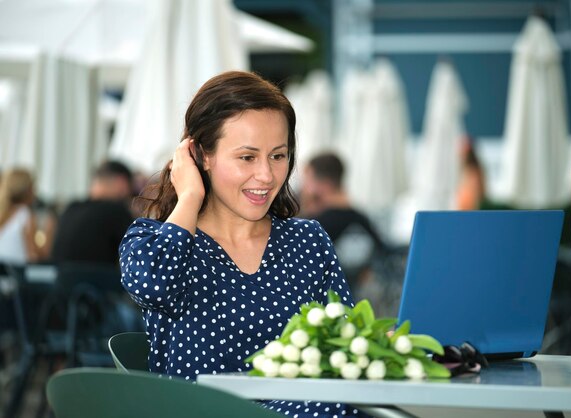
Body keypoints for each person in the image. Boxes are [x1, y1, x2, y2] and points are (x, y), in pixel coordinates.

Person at [119, 71, 365, 418]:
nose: (266, 175)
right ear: (201, 156)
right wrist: (189, 196)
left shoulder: (308, 241)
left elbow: (348, 344)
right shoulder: (153, 240)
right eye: (247, 157)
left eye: (278, 156)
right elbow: (152, 287)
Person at [299, 152, 385, 296]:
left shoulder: (314, 227)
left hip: (324, 311)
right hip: (362, 312)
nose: (303, 188)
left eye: (307, 181)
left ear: (323, 185)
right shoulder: (363, 219)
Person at [51, 160, 134, 264]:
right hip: (98, 279)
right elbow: (135, 254)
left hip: (63, 278)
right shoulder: (116, 211)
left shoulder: (71, 208)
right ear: (121, 182)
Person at [0, 168, 47, 264]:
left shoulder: (3, 212)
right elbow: (32, 256)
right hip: (16, 273)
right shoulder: (25, 215)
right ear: (27, 190)